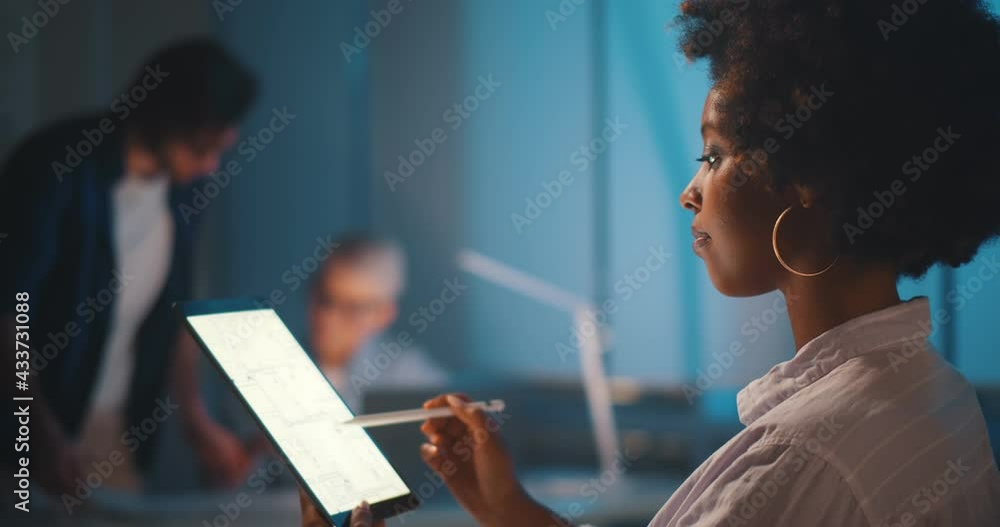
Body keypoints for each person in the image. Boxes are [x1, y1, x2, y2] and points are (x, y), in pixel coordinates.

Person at [306, 0, 1000, 525]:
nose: (689, 191)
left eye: (715, 155)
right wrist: (510, 508)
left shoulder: (798, 461)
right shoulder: (936, 394)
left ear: (805, 179)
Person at [0, 37, 259, 499]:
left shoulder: (181, 192)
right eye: (202, 148)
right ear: (166, 117)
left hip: (115, 429)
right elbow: (8, 312)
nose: (211, 166)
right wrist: (36, 431)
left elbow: (177, 308)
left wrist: (195, 419)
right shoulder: (55, 167)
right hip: (31, 430)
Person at [306, 234, 446, 412]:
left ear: (385, 314)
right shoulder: (278, 362)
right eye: (324, 298)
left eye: (353, 308)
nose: (327, 317)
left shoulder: (413, 380)